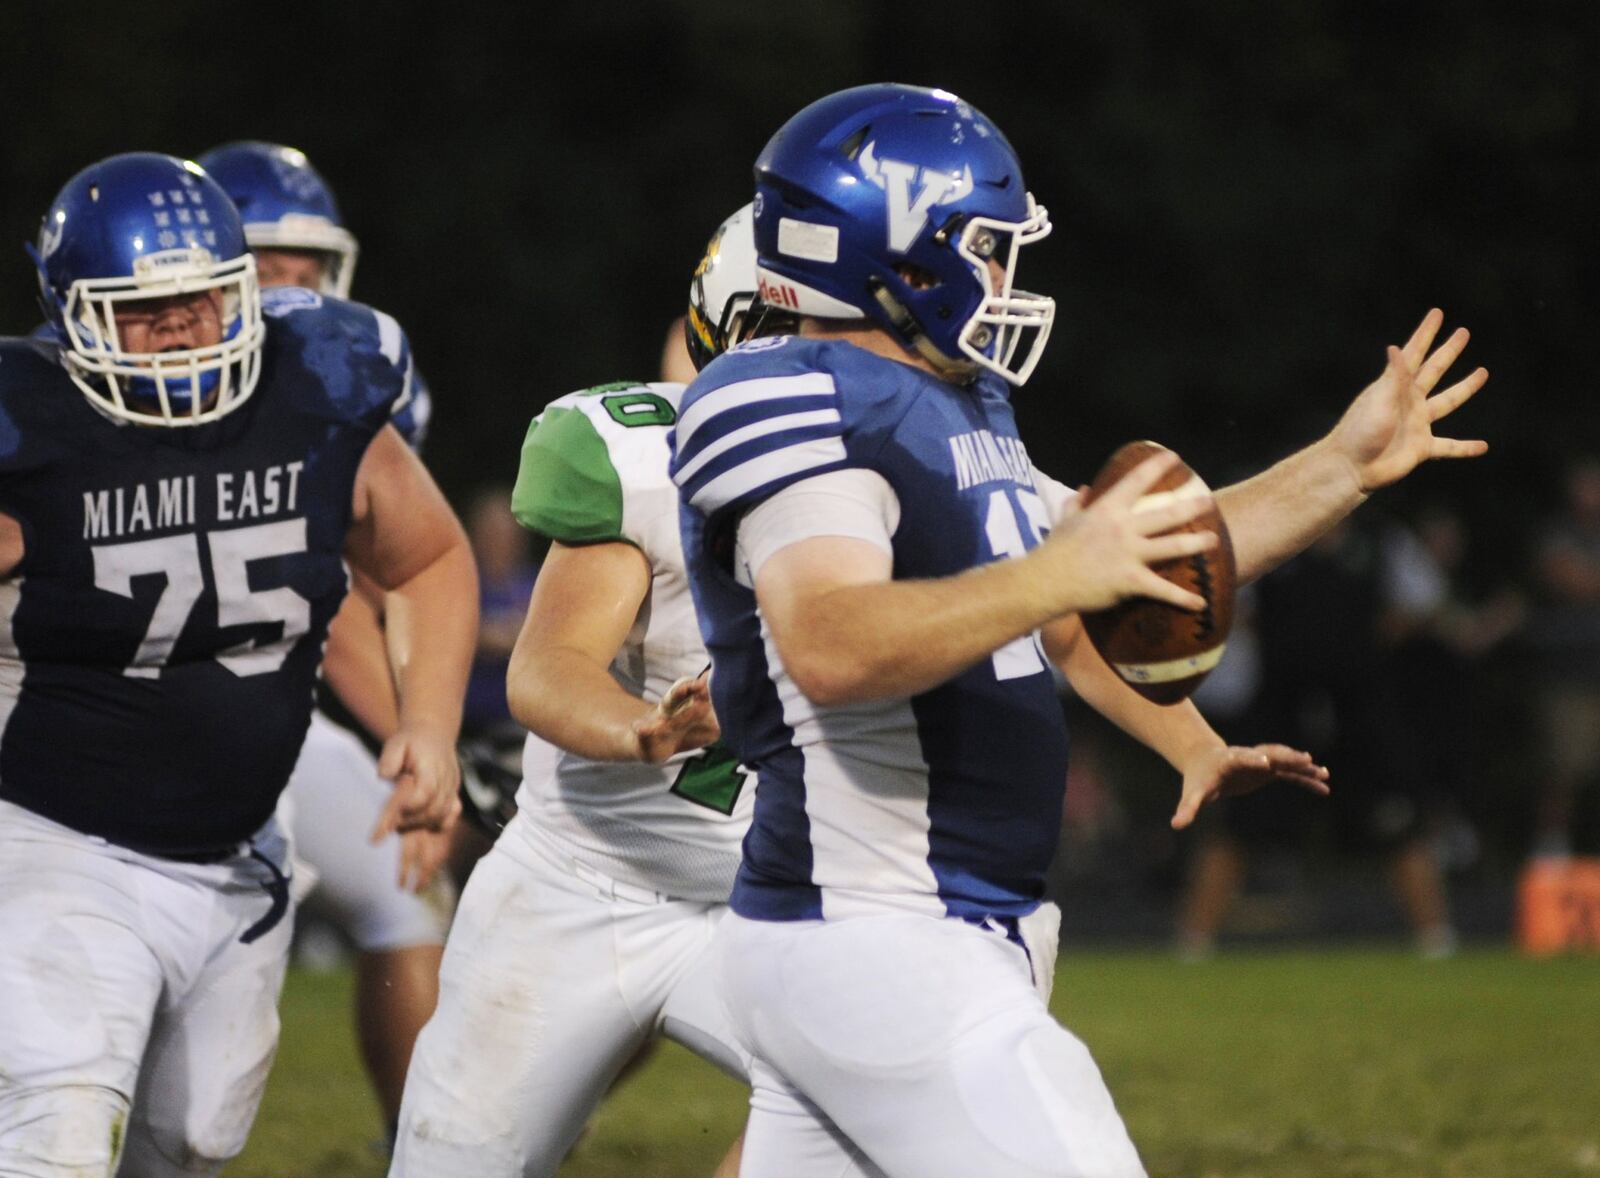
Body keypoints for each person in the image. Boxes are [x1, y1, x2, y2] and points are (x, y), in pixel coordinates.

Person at [670, 84, 1488, 1176]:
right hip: (880, 935)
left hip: (915, 934)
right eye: (987, 248)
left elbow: (1138, 560)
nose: (1005, 277)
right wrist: (1058, 570)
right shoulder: (789, 391)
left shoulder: (958, 400)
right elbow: (833, 642)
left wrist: (1340, 466)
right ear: (905, 253)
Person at [0, 152, 476, 1176]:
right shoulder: (32, 429)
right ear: (75, 316)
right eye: (142, 310)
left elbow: (428, 556)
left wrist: (427, 725)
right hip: (52, 833)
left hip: (236, 848)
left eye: (200, 301)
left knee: (194, 1140)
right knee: (59, 1125)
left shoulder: (317, 388)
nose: (177, 328)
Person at [390, 206, 774, 1177]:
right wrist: (642, 727)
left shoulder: (929, 469)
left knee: (889, 1106)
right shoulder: (644, 458)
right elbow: (545, 663)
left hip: (783, 901)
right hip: (580, 883)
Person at [197, 139, 452, 1139]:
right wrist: (413, 740)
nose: (293, 284)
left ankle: (433, 1151)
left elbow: (390, 575)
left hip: (262, 703)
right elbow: (336, 599)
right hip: (144, 712)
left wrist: (418, 730)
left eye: (308, 264)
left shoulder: (338, 369)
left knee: (400, 908)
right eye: (267, 260)